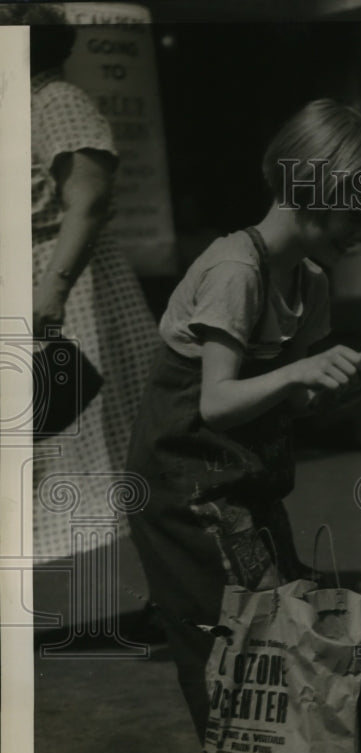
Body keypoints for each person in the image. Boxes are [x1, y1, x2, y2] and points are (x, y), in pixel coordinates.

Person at [126, 99, 361, 742]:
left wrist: (347, 382)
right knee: (225, 638)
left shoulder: (311, 282)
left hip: (244, 479)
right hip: (183, 484)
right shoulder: (235, 269)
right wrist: (300, 372)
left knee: (278, 620)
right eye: (354, 216)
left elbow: (292, 402)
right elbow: (216, 401)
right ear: (311, 191)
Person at [11, 3, 162, 561]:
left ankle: (183, 595)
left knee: (115, 441)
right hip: (31, 285)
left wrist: (53, 289)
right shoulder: (17, 104)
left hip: (71, 292)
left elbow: (89, 200)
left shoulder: (57, 99)